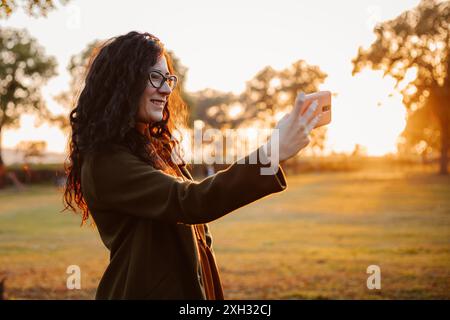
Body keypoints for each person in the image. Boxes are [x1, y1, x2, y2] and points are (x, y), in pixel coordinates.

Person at [63, 31, 321, 300]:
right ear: (122, 83)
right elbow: (190, 201)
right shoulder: (106, 162)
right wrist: (272, 152)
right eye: (154, 77)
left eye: (168, 79)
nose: (165, 89)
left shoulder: (153, 149)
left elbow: (195, 222)